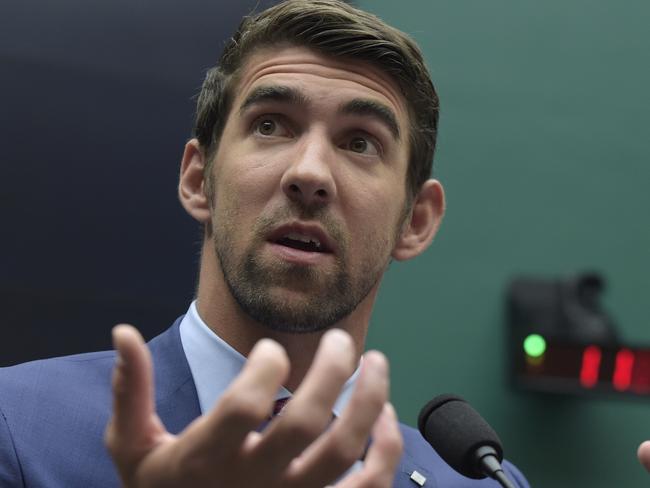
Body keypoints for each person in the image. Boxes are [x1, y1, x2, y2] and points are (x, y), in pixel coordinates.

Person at [0, 1, 529, 486]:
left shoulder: (481, 482)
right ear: (197, 179)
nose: (309, 172)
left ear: (415, 220)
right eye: (271, 125)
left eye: (360, 142)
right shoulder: (18, 426)